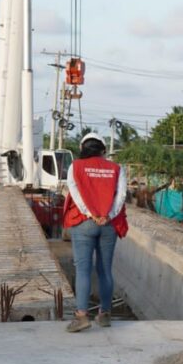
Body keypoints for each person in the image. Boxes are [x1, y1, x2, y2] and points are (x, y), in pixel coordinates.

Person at [63, 132, 128, 332]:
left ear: (83, 149)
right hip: (108, 224)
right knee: (105, 269)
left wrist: (91, 214)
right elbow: (122, 195)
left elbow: (75, 193)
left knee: (83, 270)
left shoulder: (76, 167)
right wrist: (108, 215)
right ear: (103, 150)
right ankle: (105, 314)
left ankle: (82, 316)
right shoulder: (117, 168)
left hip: (84, 223)